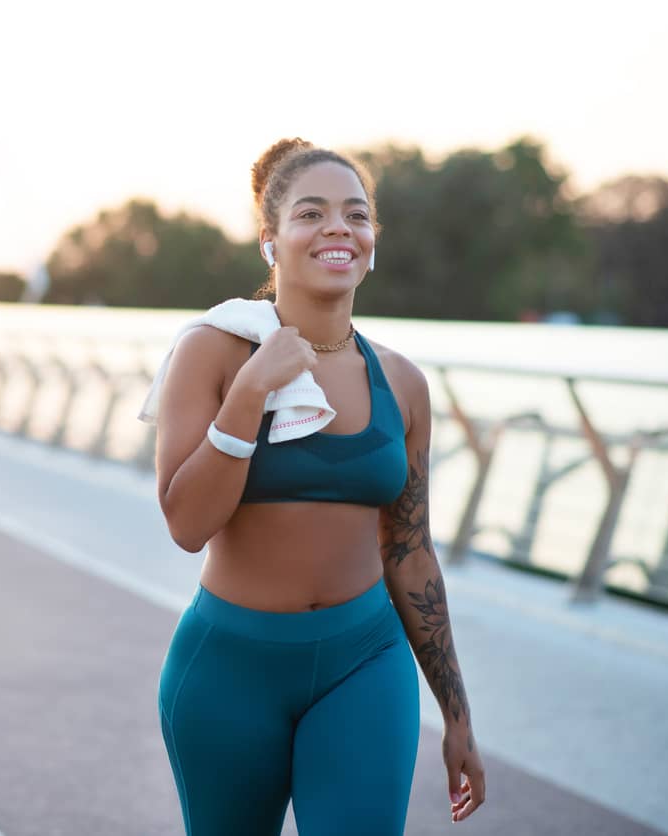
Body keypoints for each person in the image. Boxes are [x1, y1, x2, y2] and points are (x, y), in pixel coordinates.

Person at [150, 138, 485, 835]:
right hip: (229, 669)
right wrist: (250, 391)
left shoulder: (403, 382)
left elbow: (412, 553)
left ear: (372, 241)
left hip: (365, 660)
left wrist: (457, 715)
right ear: (271, 240)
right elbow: (185, 525)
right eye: (312, 213)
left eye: (356, 214)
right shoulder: (212, 350)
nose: (338, 227)